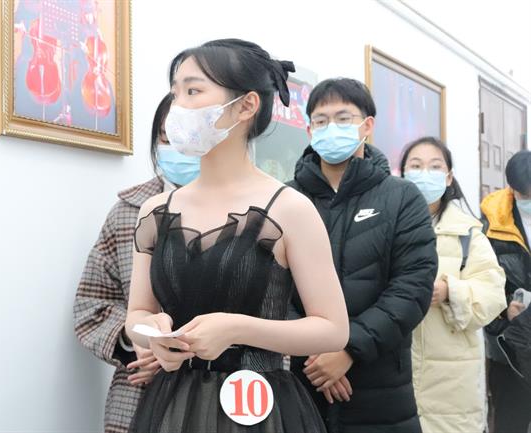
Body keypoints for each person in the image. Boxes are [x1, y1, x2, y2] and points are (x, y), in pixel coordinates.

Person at [125, 39, 349, 433]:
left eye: (193, 91)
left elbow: (333, 328)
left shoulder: (289, 208)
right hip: (173, 404)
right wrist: (152, 335)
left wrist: (236, 328)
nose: (178, 107)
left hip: (262, 407)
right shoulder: (155, 211)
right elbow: (137, 315)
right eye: (175, 93)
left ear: (246, 106)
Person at [287, 78, 438, 433]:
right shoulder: (286, 198)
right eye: (321, 121)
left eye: (343, 118)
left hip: (381, 384)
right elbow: (269, 283)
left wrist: (349, 349)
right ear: (309, 130)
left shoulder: (402, 197)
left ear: (367, 125)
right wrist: (315, 355)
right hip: (301, 379)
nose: (331, 128)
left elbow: (412, 286)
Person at [73, 93, 200, 433]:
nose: (176, 147)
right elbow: (91, 302)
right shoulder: (128, 212)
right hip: (138, 390)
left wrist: (181, 349)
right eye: (166, 137)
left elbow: (272, 309)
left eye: (186, 136)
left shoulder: (252, 213)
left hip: (219, 386)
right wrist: (137, 344)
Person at [399, 137, 506, 433]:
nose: (425, 173)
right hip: (395, 376)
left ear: (448, 177)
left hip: (452, 387)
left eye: (435, 167)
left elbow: (493, 294)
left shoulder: (468, 234)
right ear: (403, 174)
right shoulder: (387, 225)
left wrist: (450, 291)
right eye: (416, 166)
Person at [481, 149, 531, 433]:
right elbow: (481, 282)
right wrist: (504, 309)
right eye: (525, 196)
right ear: (512, 189)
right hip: (509, 346)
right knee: (510, 422)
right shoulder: (491, 224)